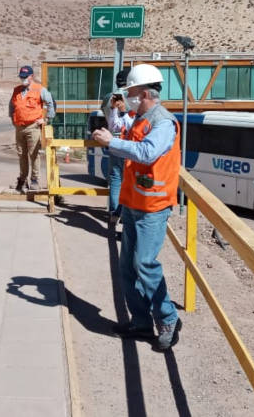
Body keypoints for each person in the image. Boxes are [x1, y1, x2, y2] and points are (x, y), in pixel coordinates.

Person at [91, 64, 182, 351]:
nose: (127, 97)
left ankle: (167, 319)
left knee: (145, 263)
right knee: (127, 268)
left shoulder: (163, 123)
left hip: (153, 207)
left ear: (143, 93)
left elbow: (148, 152)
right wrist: (110, 139)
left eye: (130, 92)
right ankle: (141, 323)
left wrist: (112, 141)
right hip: (133, 203)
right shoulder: (138, 119)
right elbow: (128, 148)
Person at [9, 65, 55, 193]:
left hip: (33, 127)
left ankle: (35, 180)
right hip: (19, 127)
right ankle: (23, 180)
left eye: (25, 77)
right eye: (21, 77)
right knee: (21, 154)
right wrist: (13, 120)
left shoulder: (39, 89)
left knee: (34, 154)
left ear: (31, 76)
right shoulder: (16, 90)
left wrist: (46, 120)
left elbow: (51, 103)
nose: (22, 79)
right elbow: (12, 106)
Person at [100, 67, 132, 231]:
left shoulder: (108, 97)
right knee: (129, 182)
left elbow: (105, 115)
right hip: (129, 144)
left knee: (116, 181)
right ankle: (125, 215)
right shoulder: (134, 97)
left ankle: (114, 213)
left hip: (113, 142)